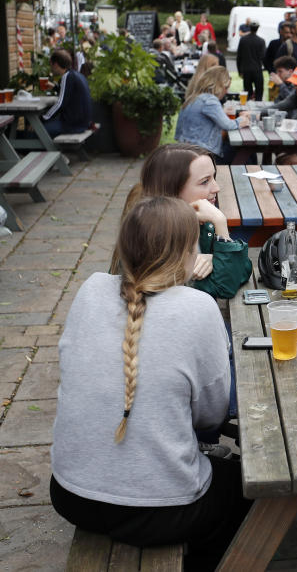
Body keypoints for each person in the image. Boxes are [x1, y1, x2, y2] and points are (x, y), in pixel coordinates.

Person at [52, 196, 252, 571]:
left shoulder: (90, 288)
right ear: (188, 252)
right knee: (249, 486)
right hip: (165, 511)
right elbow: (211, 416)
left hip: (70, 495)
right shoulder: (197, 307)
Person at [113, 143, 253, 300]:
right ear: (172, 189)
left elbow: (244, 268)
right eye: (205, 181)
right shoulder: (157, 239)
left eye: (214, 177)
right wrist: (220, 223)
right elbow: (225, 287)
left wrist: (213, 258)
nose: (216, 188)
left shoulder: (200, 221)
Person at [175, 66, 250, 163]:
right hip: (204, 155)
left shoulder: (193, 98)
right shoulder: (210, 100)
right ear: (218, 85)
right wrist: (242, 119)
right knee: (246, 152)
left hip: (187, 151)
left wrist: (223, 112)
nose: (226, 91)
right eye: (226, 87)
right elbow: (228, 125)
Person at [42, 49, 92, 138]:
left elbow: (60, 103)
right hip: (83, 123)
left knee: (39, 130)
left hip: (73, 126)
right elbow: (69, 94)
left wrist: (43, 118)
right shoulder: (76, 74)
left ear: (56, 64)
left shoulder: (67, 77)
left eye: (51, 65)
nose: (51, 68)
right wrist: (55, 87)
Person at [236, 21, 266, 101]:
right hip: (257, 69)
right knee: (259, 93)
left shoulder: (243, 40)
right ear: (257, 29)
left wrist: (239, 71)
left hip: (246, 70)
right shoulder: (261, 41)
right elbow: (263, 56)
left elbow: (239, 56)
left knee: (247, 94)